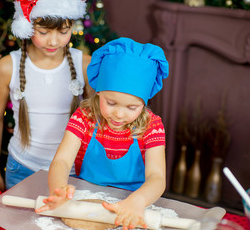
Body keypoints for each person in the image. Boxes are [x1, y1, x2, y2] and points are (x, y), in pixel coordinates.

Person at [36, 37, 169, 229]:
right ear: (99, 92)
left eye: (132, 107)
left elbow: (157, 178)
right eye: (111, 103)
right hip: (85, 195)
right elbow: (62, 161)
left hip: (135, 201)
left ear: (144, 103)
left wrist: (138, 201)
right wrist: (59, 189)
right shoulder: (85, 117)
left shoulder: (152, 126)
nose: (119, 114)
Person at [0, 0, 93, 191]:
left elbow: (97, 121)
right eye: (43, 32)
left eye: (63, 32)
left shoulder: (84, 65)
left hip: (71, 171)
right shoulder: (8, 67)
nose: (53, 41)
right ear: (27, 25)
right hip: (22, 169)